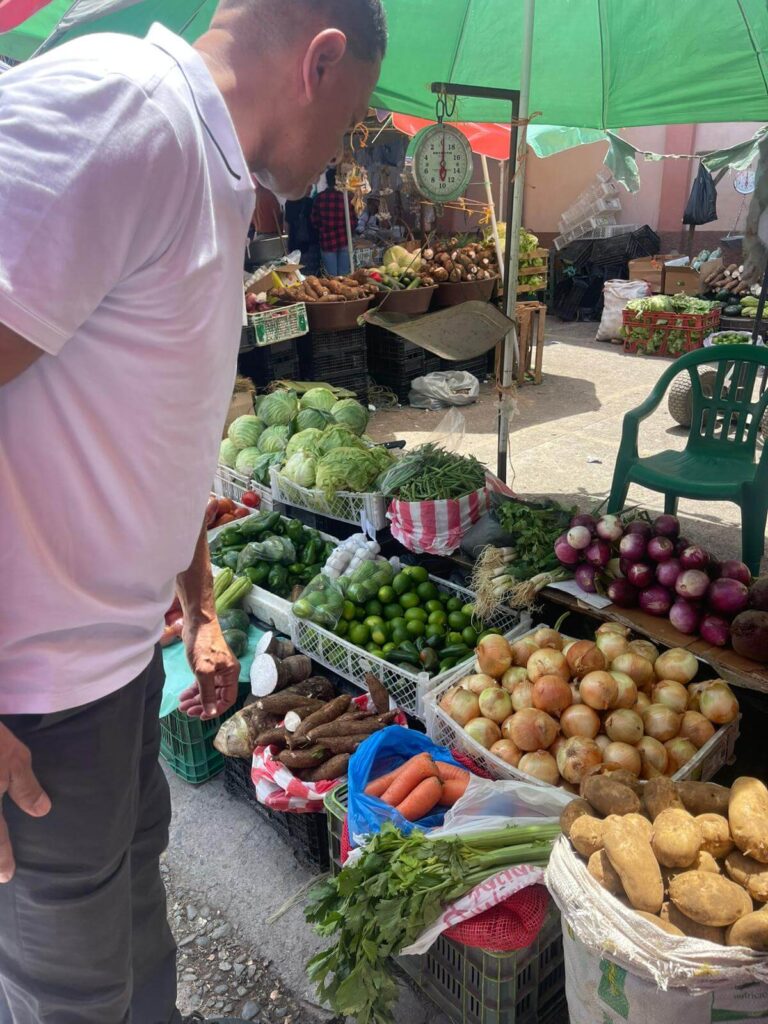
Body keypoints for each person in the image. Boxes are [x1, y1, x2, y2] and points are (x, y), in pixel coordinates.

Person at [0, 1, 385, 1022]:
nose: (347, 152)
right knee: (69, 995)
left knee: (130, 975)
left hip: (117, 671)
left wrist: (202, 603)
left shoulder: (204, 172)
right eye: (353, 124)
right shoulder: (125, 113)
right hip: (34, 703)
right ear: (322, 59)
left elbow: (149, 431)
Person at [311, 166, 358, 275]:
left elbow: (314, 222)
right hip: (344, 241)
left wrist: (324, 228)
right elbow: (353, 223)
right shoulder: (346, 198)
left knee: (331, 278)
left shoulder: (319, 198)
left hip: (327, 242)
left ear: (327, 181)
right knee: (345, 276)